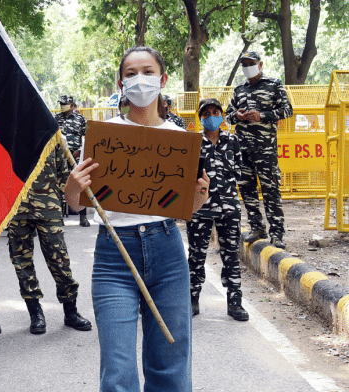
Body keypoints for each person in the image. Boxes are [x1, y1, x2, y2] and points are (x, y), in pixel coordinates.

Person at [66, 46, 210, 391]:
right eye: (131, 74)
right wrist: (72, 187)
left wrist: (198, 200)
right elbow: (76, 205)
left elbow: (184, 210)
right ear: (120, 83)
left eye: (147, 72)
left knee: (170, 365)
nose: (139, 80)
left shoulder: (181, 141)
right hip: (114, 255)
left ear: (162, 80)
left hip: (168, 254)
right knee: (117, 371)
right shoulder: (101, 137)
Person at [8, 143, 92, 335]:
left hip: (49, 208)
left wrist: (75, 201)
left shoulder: (51, 133)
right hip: (16, 208)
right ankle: (35, 313)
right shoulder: (9, 131)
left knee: (59, 260)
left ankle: (71, 312)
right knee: (22, 264)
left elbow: (65, 175)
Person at [188, 99, 249, 322]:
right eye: (206, 113)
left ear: (222, 115)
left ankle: (235, 303)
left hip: (229, 207)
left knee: (231, 255)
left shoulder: (232, 140)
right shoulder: (193, 142)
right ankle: (192, 300)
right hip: (200, 207)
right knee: (196, 255)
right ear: (201, 118)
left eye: (216, 112)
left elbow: (240, 170)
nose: (212, 116)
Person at [225, 51, 293, 249]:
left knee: (271, 190)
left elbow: (287, 110)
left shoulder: (274, 84)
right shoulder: (239, 90)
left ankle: (277, 233)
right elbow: (227, 117)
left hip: (265, 149)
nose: (247, 67)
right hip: (243, 149)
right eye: (244, 64)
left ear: (260, 64)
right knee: (247, 189)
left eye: (251, 63)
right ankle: (257, 228)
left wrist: (261, 116)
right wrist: (237, 115)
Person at [55, 94, 90, 227]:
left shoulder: (80, 119)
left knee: (81, 186)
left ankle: (83, 217)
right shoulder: (55, 119)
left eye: (65, 103)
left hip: (75, 156)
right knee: (59, 186)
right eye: (61, 104)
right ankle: (59, 218)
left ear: (71, 104)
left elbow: (87, 137)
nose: (63, 106)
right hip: (60, 157)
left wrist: (80, 152)